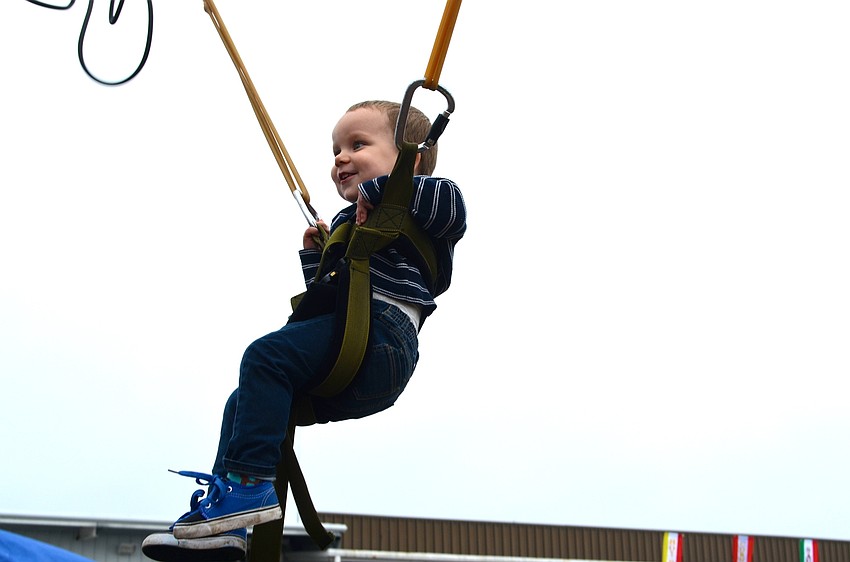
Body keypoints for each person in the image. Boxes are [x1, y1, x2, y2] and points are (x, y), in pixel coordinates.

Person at [141, 100, 467, 562]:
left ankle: (248, 488)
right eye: (336, 148)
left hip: (382, 339)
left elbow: (450, 208)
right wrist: (319, 254)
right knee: (243, 402)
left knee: (265, 358)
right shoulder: (348, 220)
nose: (340, 157)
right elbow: (330, 295)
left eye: (358, 144)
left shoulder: (429, 195)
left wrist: (380, 192)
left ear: (411, 158)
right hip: (349, 344)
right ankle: (227, 525)